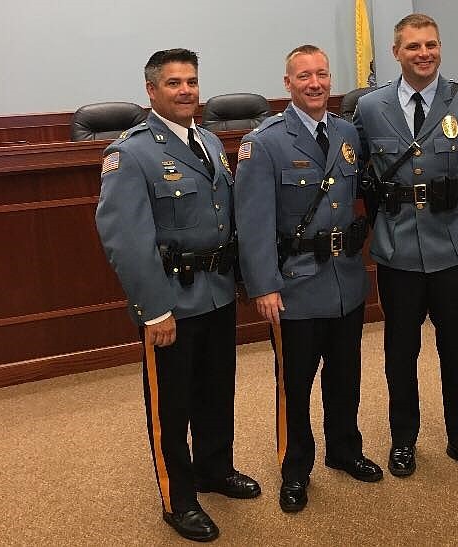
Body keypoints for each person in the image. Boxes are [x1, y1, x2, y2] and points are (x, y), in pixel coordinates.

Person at [95, 48, 260, 542]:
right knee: (172, 406)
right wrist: (154, 310)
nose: (186, 90)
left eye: (191, 81)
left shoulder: (208, 140)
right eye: (174, 83)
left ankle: (214, 468)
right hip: (170, 302)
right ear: (151, 91)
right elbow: (125, 239)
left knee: (216, 391)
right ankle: (178, 498)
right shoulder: (131, 153)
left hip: (216, 294)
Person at [353, 13, 458, 479]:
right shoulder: (370, 107)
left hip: (457, 250)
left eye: (432, 45)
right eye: (414, 46)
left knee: (457, 351)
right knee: (400, 354)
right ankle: (404, 440)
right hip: (398, 253)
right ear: (396, 52)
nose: (425, 54)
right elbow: (362, 181)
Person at [235, 44, 382, 514]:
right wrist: (262, 284)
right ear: (287, 84)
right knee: (294, 383)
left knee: (346, 375)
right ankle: (294, 467)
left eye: (321, 74)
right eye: (304, 76)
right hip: (294, 283)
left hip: (344, 279)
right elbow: (252, 222)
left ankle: (345, 449)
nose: (315, 83)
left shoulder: (345, 132)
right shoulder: (265, 142)